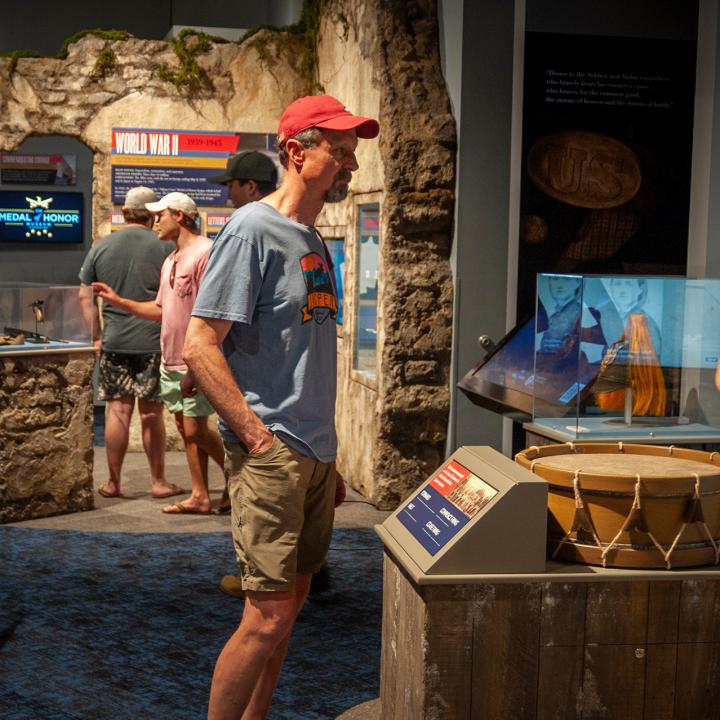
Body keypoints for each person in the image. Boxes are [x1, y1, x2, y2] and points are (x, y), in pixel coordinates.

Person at [183, 95, 379, 719]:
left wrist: (327, 459)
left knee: (289, 606)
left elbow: (306, 351)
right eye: (339, 153)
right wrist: (255, 435)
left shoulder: (311, 234)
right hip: (274, 450)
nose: (350, 166)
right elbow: (199, 342)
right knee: (265, 617)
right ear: (297, 152)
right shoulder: (251, 229)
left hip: (314, 454)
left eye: (352, 155)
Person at [92, 192, 225, 515]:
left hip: (195, 359)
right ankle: (200, 495)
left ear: (178, 216)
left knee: (195, 428)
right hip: (170, 359)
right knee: (184, 428)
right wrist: (119, 301)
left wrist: (200, 358)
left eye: (160, 216)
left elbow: (214, 311)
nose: (154, 222)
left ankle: (238, 477)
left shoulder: (205, 253)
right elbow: (160, 309)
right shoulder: (170, 259)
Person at [79, 186, 181, 500]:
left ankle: (112, 482)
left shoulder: (102, 246)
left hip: (115, 342)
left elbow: (85, 297)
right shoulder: (166, 247)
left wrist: (96, 335)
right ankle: (158, 482)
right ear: (152, 214)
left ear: (123, 213)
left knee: (117, 413)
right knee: (151, 414)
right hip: (153, 343)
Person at [210, 150, 282, 592]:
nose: (227, 192)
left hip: (265, 420)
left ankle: (261, 574)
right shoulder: (256, 230)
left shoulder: (246, 231)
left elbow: (205, 336)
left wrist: (251, 430)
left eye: (232, 185)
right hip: (271, 423)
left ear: (250, 187)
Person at [209, 150, 278, 209]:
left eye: (231, 187)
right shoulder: (284, 217)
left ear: (251, 187)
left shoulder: (247, 220)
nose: (229, 195)